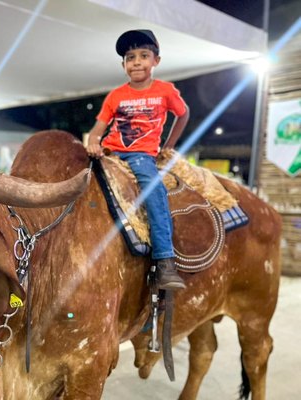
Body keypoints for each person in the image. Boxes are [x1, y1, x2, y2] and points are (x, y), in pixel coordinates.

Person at [86, 29, 190, 290]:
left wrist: (168, 146)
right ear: (124, 65)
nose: (137, 62)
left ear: (156, 60)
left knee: (154, 191)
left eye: (144, 55)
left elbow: (183, 114)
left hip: (141, 153)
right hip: (111, 150)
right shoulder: (116, 95)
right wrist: (93, 143)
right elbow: (99, 129)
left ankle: (165, 260)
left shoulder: (165, 91)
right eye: (130, 57)